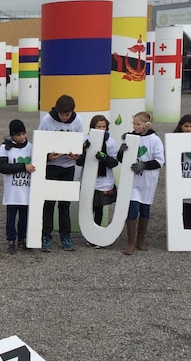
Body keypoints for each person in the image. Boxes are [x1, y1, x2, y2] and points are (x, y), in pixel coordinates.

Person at [37, 94, 83, 251]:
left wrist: (76, 156)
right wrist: (48, 157)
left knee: (65, 203)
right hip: (52, 166)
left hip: (68, 166)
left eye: (67, 114)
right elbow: (39, 143)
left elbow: (79, 143)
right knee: (49, 203)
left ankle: (66, 236)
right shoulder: (47, 120)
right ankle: (46, 236)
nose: (64, 118)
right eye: (62, 114)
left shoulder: (78, 121)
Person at [118, 111, 164, 255]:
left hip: (147, 181)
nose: (135, 126)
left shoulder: (155, 140)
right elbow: (121, 159)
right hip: (133, 180)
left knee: (144, 209)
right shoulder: (131, 138)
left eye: (138, 124)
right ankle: (130, 241)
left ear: (146, 124)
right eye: (134, 124)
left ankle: (141, 240)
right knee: (132, 209)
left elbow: (160, 161)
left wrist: (144, 165)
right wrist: (121, 151)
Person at [77, 115, 119, 246]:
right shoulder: (85, 140)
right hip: (89, 180)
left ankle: (96, 236)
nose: (101, 129)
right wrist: (84, 149)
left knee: (99, 208)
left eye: (104, 127)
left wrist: (104, 158)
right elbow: (79, 161)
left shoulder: (110, 142)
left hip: (103, 181)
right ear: (92, 127)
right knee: (88, 207)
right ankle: (88, 234)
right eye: (98, 126)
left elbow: (114, 163)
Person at [0, 119, 35, 254]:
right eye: (18, 134)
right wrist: (23, 167)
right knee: (11, 218)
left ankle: (22, 239)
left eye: (23, 134)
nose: (22, 137)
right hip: (12, 191)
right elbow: (2, 167)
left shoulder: (31, 147)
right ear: (12, 135)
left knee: (24, 218)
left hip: (26, 190)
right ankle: (11, 240)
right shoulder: (4, 148)